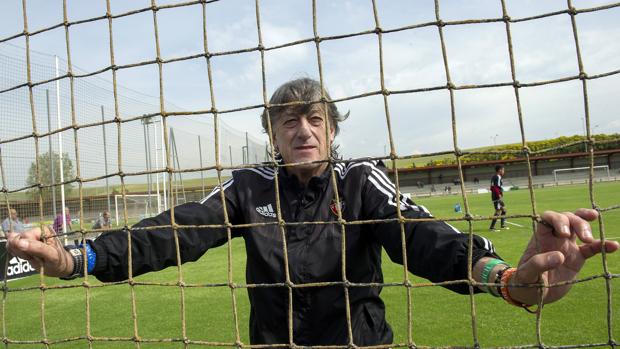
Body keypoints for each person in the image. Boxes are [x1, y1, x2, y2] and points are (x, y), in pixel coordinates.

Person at [6, 78, 619, 346]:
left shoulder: (361, 183)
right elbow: (176, 232)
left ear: (331, 129)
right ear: (272, 132)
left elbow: (425, 240)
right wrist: (74, 256)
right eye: (289, 118)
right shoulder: (247, 187)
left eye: (315, 117)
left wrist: (510, 280)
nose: (303, 128)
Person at [489, 165, 507, 231]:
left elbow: (491, 187)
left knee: (504, 210)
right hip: (497, 197)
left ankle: (502, 225)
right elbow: (495, 187)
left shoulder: (494, 177)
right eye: (503, 170)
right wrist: (498, 195)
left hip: (495, 196)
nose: (504, 171)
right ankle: (492, 227)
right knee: (498, 211)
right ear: (500, 170)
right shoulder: (498, 177)